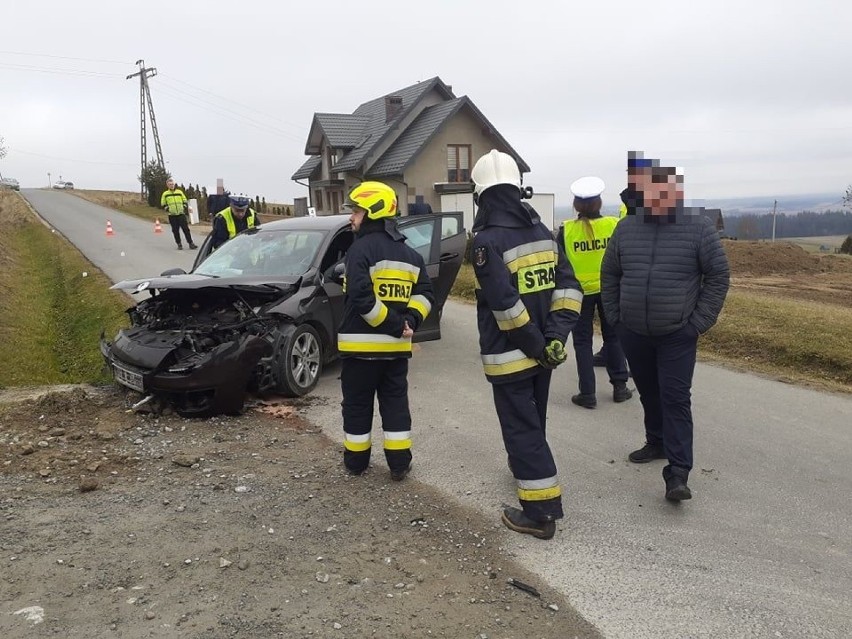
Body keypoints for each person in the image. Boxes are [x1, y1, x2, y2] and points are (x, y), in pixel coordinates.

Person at [601, 152, 730, 502]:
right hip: (634, 331)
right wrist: (615, 316)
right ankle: (655, 441)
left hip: (677, 333)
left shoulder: (698, 227)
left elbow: (718, 276)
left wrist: (698, 323)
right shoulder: (627, 227)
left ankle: (677, 473)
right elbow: (610, 272)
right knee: (649, 392)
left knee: (675, 399)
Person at [470, 150, 582, 540]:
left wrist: (537, 343)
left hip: (512, 355)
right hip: (543, 354)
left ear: (481, 195)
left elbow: (504, 306)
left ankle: (540, 513)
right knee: (534, 423)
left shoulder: (486, 242)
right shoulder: (543, 234)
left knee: (522, 429)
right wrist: (555, 338)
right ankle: (529, 472)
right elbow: (569, 289)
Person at [337, 181, 434, 482]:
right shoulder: (411, 255)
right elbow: (426, 294)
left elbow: (362, 299)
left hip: (359, 351)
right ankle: (399, 465)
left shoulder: (359, 250)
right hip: (395, 352)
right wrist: (410, 322)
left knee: (356, 406)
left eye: (355, 211)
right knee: (395, 406)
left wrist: (395, 324)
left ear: (371, 212)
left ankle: (356, 463)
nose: (351, 218)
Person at [558, 176, 631, 409]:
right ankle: (620, 387)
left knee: (582, 343)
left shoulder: (566, 230)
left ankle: (587, 394)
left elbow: (560, 264)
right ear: (599, 202)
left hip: (579, 293)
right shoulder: (613, 225)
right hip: (610, 290)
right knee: (613, 337)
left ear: (576, 205)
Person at [161, 178, 197, 250]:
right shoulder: (165, 194)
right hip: (172, 215)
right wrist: (168, 209)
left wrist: (184, 206)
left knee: (186, 229)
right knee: (175, 230)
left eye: (172, 184)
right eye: (170, 184)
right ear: (167, 185)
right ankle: (179, 244)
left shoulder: (179, 192)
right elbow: (163, 203)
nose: (171, 186)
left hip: (181, 214)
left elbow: (184, 200)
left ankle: (191, 243)